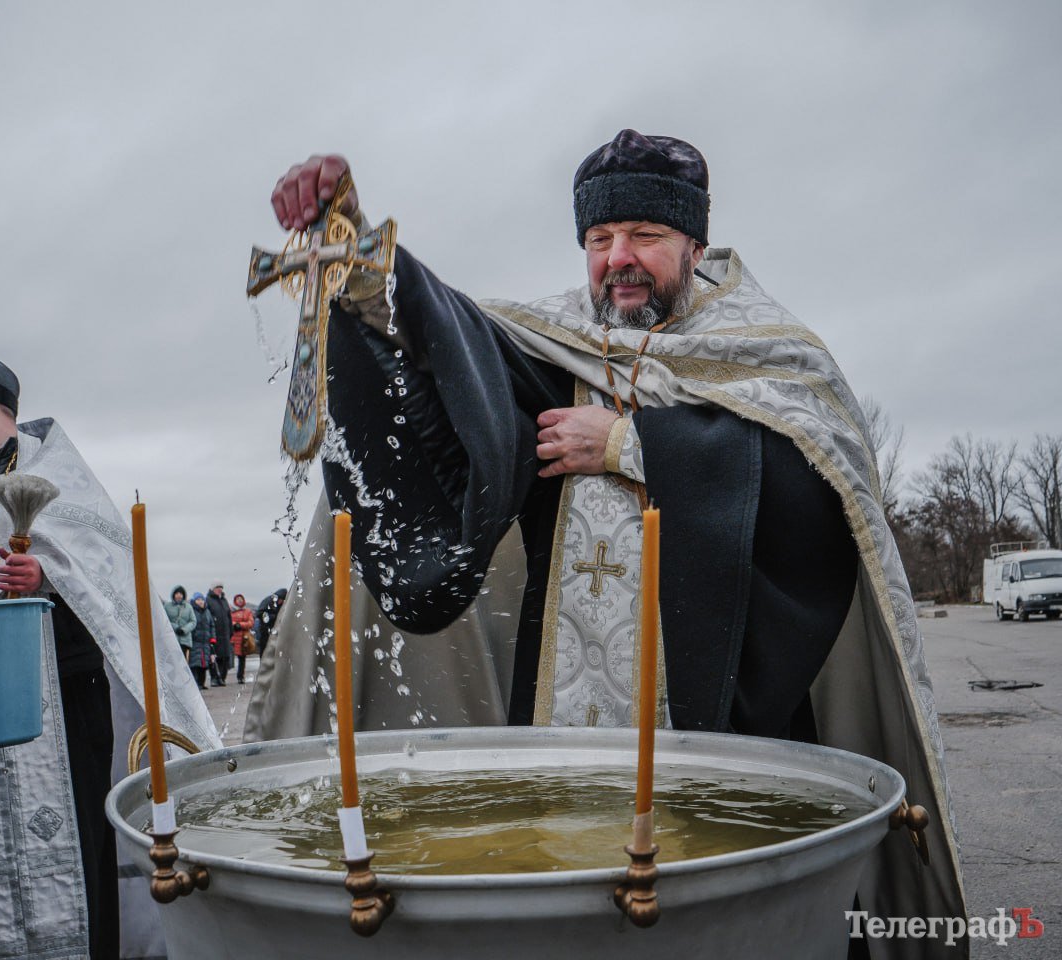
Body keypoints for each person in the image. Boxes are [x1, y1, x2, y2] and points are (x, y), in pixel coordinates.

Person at [252, 135, 964, 942]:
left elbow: (818, 502)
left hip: (725, 727)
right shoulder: (558, 344)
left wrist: (633, 445)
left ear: (693, 244)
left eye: (644, 236)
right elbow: (455, 350)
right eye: (599, 239)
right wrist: (363, 260)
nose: (618, 258)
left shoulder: (771, 352)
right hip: (555, 729)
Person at [0, 350, 220, 960]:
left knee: (87, 836)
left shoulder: (64, 478)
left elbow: (111, 587)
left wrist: (48, 576)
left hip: (70, 692)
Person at [205, 581, 233, 685]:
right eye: (217, 587)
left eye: (221, 587)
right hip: (214, 633)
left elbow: (229, 617)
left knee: (225, 657)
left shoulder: (224, 600)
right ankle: (214, 678)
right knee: (214, 657)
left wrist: (231, 631)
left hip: (225, 634)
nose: (220, 589)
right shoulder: (208, 600)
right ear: (213, 589)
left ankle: (222, 677)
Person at [188, 591, 217, 688]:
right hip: (195, 642)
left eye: (202, 600)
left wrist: (213, 638)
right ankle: (196, 684)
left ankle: (201, 683)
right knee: (195, 664)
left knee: (204, 664)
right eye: (198, 600)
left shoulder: (207, 612)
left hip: (206, 642)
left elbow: (212, 626)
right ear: (194, 601)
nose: (200, 602)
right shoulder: (191, 611)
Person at [163, 584, 196, 662]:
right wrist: (175, 627)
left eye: (181, 594)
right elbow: (164, 620)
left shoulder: (188, 607)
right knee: (172, 662)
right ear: (173, 595)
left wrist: (184, 630)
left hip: (185, 640)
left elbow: (193, 621)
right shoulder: (167, 606)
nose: (179, 596)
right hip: (172, 639)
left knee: (184, 663)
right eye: (177, 593)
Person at [253, 586, 287, 656]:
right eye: (281, 600)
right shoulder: (268, 601)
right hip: (265, 630)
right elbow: (259, 613)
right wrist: (274, 617)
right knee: (264, 649)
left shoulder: (280, 604)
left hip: (274, 630)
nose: (281, 602)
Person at [230, 593, 255, 684]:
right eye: (238, 599)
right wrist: (234, 624)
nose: (240, 600)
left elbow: (251, 623)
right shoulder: (231, 611)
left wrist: (239, 625)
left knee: (242, 658)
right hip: (233, 637)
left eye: (241, 599)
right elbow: (229, 621)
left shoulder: (247, 611)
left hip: (244, 638)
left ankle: (240, 676)